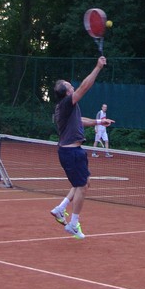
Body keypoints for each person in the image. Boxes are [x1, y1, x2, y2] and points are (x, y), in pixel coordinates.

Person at [49, 57, 115, 239]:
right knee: (82, 186)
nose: (73, 87)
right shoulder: (66, 103)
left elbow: (80, 121)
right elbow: (85, 87)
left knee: (84, 183)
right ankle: (73, 224)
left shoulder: (67, 108)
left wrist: (99, 122)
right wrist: (98, 67)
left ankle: (61, 208)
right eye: (70, 86)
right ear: (67, 93)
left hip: (72, 152)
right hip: (71, 153)